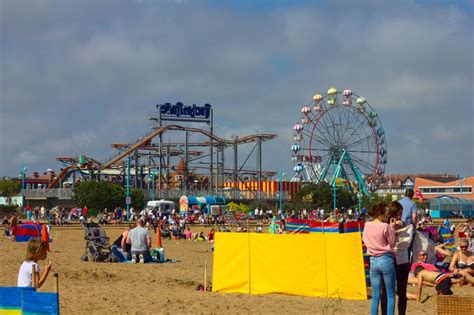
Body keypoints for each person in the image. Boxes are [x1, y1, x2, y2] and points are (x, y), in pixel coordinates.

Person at [362, 203, 396, 315]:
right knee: (390, 295)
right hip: (386, 259)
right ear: (380, 214)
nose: (388, 216)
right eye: (387, 214)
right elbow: (392, 243)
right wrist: (392, 228)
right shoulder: (385, 226)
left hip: (373, 260)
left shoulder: (367, 225)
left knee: (375, 296)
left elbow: (365, 240)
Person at [380, 201, 413, 315]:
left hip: (402, 262)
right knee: (385, 291)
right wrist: (391, 229)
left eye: (400, 213)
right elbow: (382, 243)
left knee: (402, 291)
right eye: (396, 214)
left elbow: (404, 245)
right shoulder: (385, 227)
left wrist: (393, 236)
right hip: (388, 261)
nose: (399, 217)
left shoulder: (408, 227)